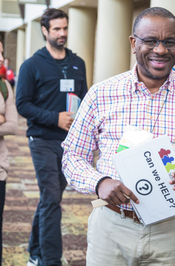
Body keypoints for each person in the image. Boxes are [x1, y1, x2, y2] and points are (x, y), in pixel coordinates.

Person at [62, 7, 175, 266]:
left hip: (172, 231)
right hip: (112, 227)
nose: (160, 50)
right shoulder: (101, 94)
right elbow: (72, 155)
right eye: (150, 41)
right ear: (133, 42)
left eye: (169, 42)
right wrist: (99, 182)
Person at [16, 8, 87, 266]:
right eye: (56, 29)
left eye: (65, 28)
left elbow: (84, 99)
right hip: (42, 140)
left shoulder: (78, 63)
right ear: (45, 30)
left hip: (69, 144)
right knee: (51, 199)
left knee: (51, 200)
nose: (62, 33)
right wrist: (54, 117)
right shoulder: (31, 65)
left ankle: (35, 252)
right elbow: (22, 105)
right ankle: (50, 260)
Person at [0, 37, 18, 266]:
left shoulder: (4, 86)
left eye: (2, 53)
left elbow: (13, 125)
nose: (2, 59)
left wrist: (4, 119)